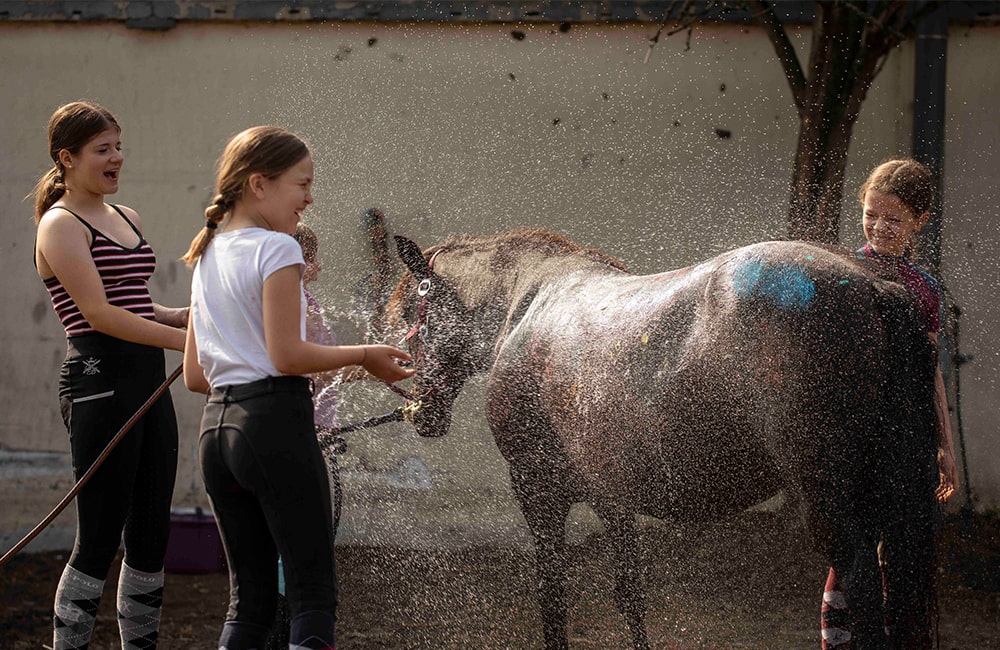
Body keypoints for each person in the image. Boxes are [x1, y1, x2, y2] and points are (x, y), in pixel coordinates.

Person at [181, 125, 413, 650]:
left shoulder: (207, 254)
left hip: (216, 433)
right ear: (259, 184)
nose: (310, 198)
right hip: (273, 425)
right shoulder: (278, 249)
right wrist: (365, 356)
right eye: (302, 184)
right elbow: (288, 356)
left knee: (251, 601)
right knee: (312, 595)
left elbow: (197, 376)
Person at [31, 100, 187, 650]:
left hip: (146, 379)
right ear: (67, 159)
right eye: (103, 150)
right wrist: (187, 343)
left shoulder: (128, 217)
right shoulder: (59, 225)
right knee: (98, 537)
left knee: (151, 533)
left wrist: (192, 317)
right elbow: (98, 314)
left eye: (118, 146)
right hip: (98, 383)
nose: (116, 157)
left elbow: (138, 305)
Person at [820, 158, 959, 649]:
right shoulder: (840, 275)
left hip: (906, 442)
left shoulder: (924, 289)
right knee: (849, 550)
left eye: (893, 219)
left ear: (919, 222)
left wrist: (945, 446)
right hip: (852, 442)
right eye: (870, 214)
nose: (878, 227)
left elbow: (931, 375)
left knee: (901, 555)